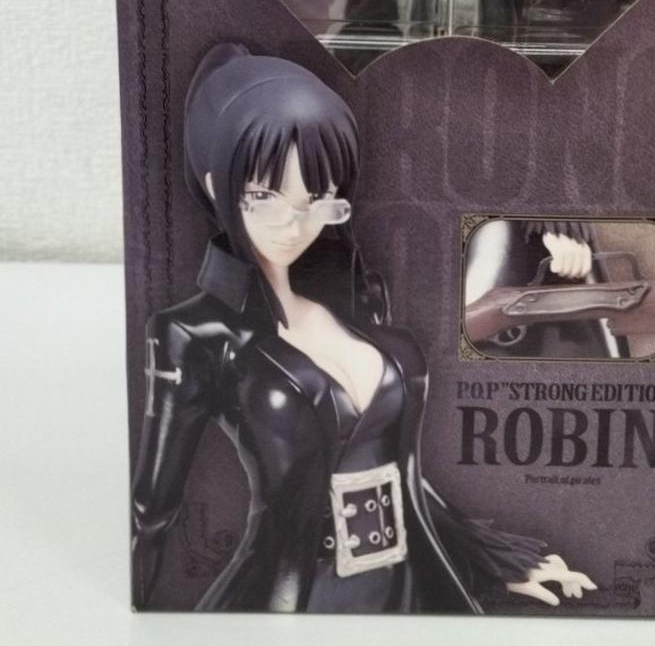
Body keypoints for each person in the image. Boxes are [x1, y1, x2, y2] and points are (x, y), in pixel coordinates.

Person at [132, 42, 597, 612]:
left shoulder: (359, 304)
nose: (292, 224)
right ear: (215, 186)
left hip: (406, 591)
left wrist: (498, 560)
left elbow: (402, 476)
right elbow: (151, 512)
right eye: (262, 196)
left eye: (316, 198)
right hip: (293, 603)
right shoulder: (195, 334)